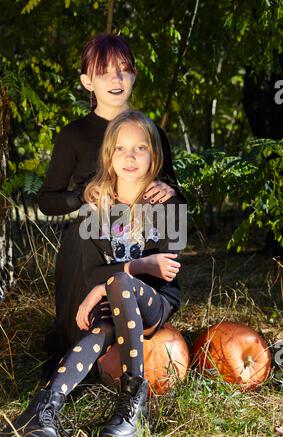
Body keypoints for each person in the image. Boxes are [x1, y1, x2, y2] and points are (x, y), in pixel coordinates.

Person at [3, 110, 186, 437]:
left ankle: (132, 404)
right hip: (113, 304)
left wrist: (113, 281)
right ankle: (41, 411)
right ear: (108, 155)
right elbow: (90, 273)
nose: (130, 157)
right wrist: (133, 268)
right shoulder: (97, 207)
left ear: (155, 155)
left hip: (155, 303)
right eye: (120, 148)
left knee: (119, 286)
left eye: (141, 148)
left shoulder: (169, 203)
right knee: (102, 328)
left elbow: (168, 272)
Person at [37, 33, 186, 377]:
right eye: (105, 72)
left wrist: (167, 187)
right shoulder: (73, 135)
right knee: (81, 249)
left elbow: (174, 197)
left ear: (134, 75)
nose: (116, 79)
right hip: (92, 245)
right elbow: (46, 200)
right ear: (87, 81)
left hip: (140, 239)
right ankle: (72, 357)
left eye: (124, 70)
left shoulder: (151, 132)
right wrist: (81, 196)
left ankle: (126, 365)